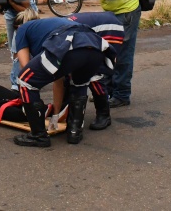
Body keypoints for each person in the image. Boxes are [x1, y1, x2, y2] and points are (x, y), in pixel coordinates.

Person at [10, 11, 119, 147]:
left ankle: (38, 135)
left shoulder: (22, 30)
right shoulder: (48, 25)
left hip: (69, 42)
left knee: (25, 81)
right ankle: (74, 132)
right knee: (79, 84)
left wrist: (29, 104)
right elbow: (58, 79)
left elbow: (25, 69)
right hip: (96, 45)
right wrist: (55, 115)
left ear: (18, 27)